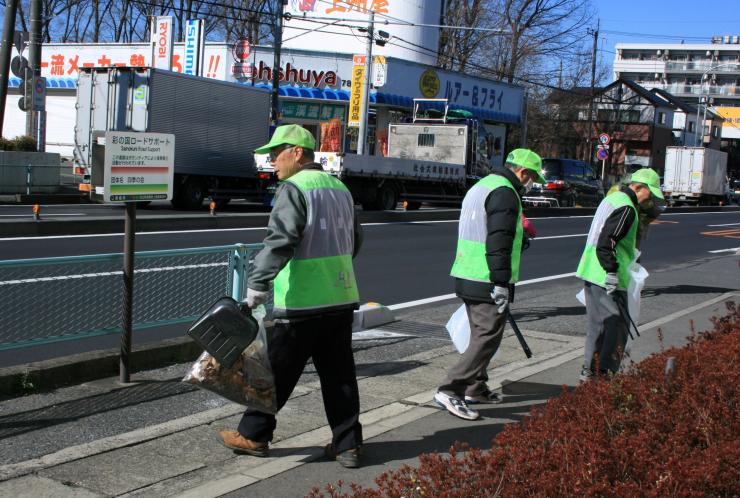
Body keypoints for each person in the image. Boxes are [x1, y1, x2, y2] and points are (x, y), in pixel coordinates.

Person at [218, 124, 364, 468]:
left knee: (275, 372)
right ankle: (348, 445)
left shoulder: (294, 188)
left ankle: (254, 435)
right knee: (339, 376)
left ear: (297, 153)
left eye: (276, 152)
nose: (271, 160)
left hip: (301, 301)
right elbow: (355, 241)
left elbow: (280, 240)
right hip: (340, 297)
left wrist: (257, 286)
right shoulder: (340, 188)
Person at [434, 148, 546, 421]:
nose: (530, 185)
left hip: (466, 270)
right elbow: (498, 239)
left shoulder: (483, 185)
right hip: (486, 276)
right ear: (524, 173)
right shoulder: (506, 192)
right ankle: (451, 389)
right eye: (531, 179)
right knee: (487, 337)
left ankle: (476, 387)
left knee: (480, 334)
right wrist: (500, 282)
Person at [576, 168, 664, 381]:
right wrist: (612, 272)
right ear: (638, 187)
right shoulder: (627, 208)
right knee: (616, 323)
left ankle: (588, 371)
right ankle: (604, 373)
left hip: (590, 271)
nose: (649, 199)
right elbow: (607, 242)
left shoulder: (612, 198)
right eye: (649, 194)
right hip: (607, 275)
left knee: (596, 326)